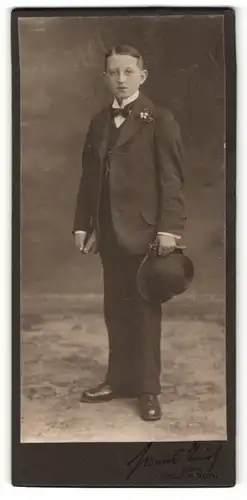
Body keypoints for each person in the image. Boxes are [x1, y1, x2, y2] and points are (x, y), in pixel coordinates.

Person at [73, 45, 185, 421]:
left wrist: (169, 230)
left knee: (143, 312)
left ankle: (147, 389)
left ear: (142, 76)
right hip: (109, 232)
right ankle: (118, 380)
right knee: (115, 309)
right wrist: (83, 224)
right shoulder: (99, 121)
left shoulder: (160, 120)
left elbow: (172, 181)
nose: (121, 80)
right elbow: (89, 180)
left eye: (128, 72)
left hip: (146, 231)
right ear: (105, 77)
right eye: (114, 73)